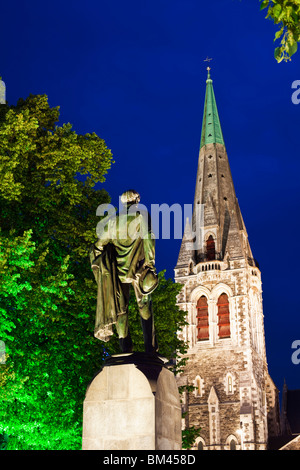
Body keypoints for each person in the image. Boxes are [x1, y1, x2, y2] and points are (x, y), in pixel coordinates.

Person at [89, 190, 158, 353]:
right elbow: (149, 238)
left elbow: (99, 245)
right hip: (140, 268)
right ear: (136, 201)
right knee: (145, 305)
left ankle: (125, 349)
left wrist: (99, 263)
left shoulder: (112, 222)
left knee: (121, 311)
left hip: (118, 272)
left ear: (122, 202)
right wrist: (151, 264)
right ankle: (151, 348)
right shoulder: (142, 215)